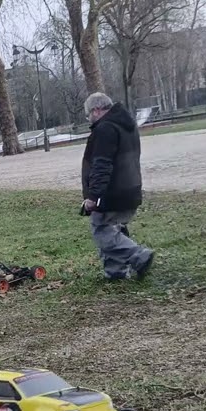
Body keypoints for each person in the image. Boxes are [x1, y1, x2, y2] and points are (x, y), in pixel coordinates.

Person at [80, 92, 154, 281]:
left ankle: (138, 255)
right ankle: (116, 273)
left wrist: (94, 196)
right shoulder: (126, 125)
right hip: (130, 187)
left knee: (102, 229)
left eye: (88, 115)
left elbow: (102, 164)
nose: (89, 119)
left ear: (96, 110)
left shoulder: (105, 129)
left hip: (112, 192)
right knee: (115, 228)